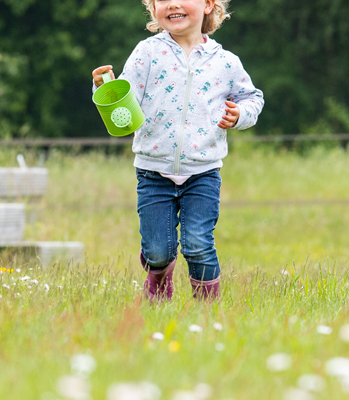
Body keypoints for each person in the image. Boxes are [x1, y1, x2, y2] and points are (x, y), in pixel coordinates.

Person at [91, 0, 264, 301]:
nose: (172, 4)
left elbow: (253, 97)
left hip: (203, 171)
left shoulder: (225, 62)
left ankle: (207, 314)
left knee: (198, 244)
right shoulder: (147, 52)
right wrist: (104, 88)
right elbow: (124, 98)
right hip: (153, 170)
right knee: (158, 251)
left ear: (209, 5)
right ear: (154, 7)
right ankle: (158, 276)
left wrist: (240, 115)